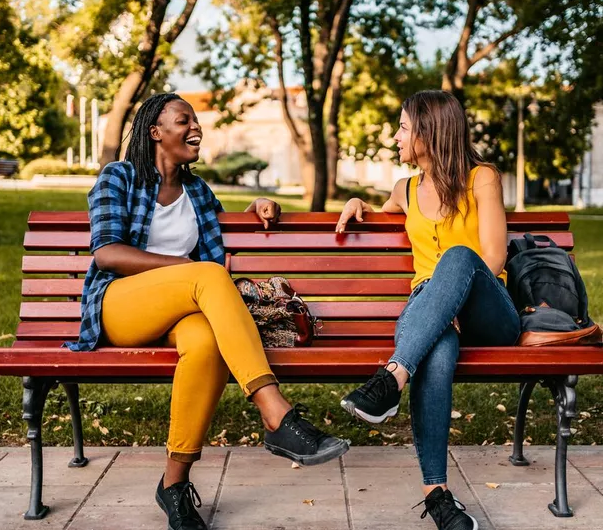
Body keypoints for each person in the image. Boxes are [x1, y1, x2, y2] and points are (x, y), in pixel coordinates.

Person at [69, 92, 349, 530]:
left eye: (196, 121)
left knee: (205, 343)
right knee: (207, 276)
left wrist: (255, 209)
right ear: (155, 132)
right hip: (121, 307)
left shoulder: (197, 190)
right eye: (183, 121)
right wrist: (185, 269)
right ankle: (275, 410)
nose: (195, 128)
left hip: (178, 314)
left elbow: (213, 241)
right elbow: (107, 253)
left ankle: (174, 486)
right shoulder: (117, 177)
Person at [335, 90, 520, 530]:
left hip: (487, 307)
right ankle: (436, 493)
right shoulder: (405, 188)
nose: (395, 136)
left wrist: (453, 300)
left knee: (457, 256)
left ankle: (391, 378)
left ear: (429, 131)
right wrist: (359, 204)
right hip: (430, 312)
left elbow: (493, 258)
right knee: (436, 351)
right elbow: (380, 215)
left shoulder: (482, 178)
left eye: (402, 127)